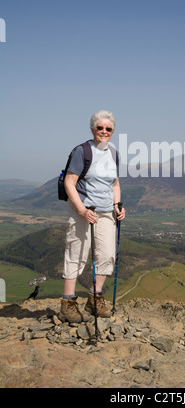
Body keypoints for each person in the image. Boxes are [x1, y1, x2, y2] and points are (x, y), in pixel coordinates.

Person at [59, 109, 125, 323]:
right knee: (77, 253)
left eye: (108, 129)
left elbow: (115, 183)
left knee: (107, 255)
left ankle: (94, 298)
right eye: (100, 128)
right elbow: (70, 182)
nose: (104, 131)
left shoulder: (113, 153)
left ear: (112, 131)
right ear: (92, 129)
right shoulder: (82, 151)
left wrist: (117, 205)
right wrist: (81, 210)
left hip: (106, 212)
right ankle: (68, 303)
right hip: (83, 210)